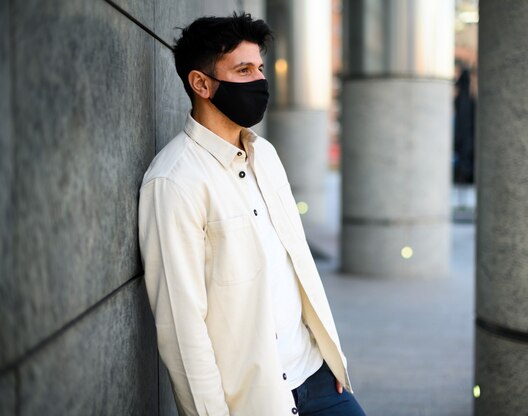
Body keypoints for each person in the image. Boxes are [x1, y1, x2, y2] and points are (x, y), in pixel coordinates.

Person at [138, 13, 366, 416]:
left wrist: (332, 356)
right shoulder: (174, 181)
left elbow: (297, 266)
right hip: (257, 400)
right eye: (243, 70)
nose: (259, 81)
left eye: (259, 68)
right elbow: (181, 327)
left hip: (318, 378)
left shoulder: (268, 155)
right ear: (201, 83)